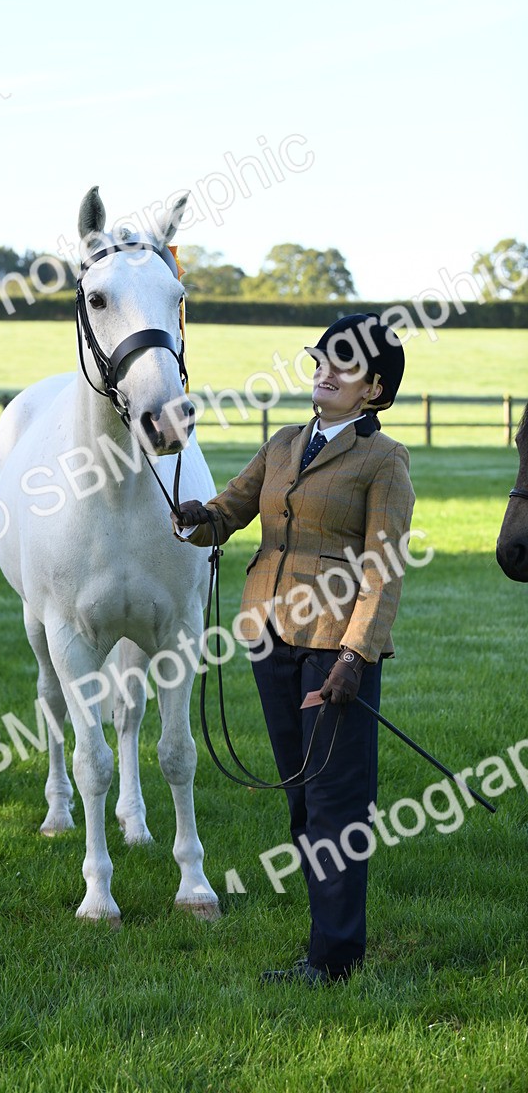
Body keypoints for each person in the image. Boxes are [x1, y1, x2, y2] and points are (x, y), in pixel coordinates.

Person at [172, 314, 415, 984]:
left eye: (344, 366)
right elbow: (230, 510)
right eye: (321, 361)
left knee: (337, 804)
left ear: (374, 390)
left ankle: (334, 959)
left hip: (333, 651)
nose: (325, 373)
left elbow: (382, 568)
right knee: (303, 802)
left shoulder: (383, 460)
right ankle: (327, 937)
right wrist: (198, 518)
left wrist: (355, 656)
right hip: (268, 638)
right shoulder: (283, 444)